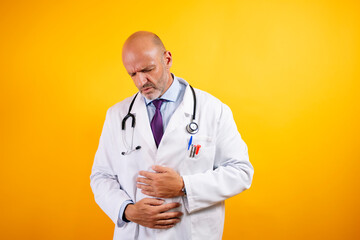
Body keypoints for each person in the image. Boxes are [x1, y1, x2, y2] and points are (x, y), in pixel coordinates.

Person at [90, 31, 254, 240]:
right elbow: (101, 176)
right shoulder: (117, 116)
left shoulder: (213, 110)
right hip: (137, 234)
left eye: (147, 70)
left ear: (167, 59)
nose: (141, 81)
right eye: (132, 74)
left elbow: (241, 172)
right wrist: (127, 210)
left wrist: (184, 186)